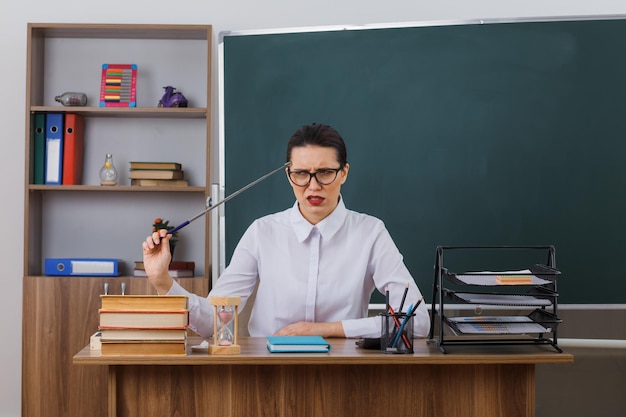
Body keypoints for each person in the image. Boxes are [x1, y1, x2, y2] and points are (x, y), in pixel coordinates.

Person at [142, 123, 430, 339]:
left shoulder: (370, 232)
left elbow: (417, 321)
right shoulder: (262, 232)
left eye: (325, 173)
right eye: (302, 174)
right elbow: (214, 322)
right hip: (267, 376)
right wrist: (162, 281)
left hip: (344, 373)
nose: (313, 186)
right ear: (288, 174)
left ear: (344, 173)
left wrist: (325, 329)